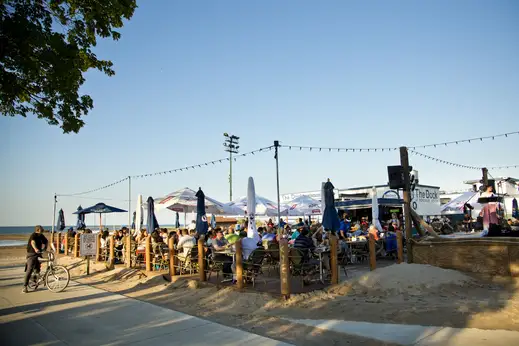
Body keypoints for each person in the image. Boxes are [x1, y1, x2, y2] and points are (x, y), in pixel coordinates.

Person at [23, 225, 53, 293]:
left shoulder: (41, 236)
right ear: (38, 230)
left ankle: (36, 277)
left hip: (38, 253)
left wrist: (44, 248)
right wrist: (35, 249)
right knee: (30, 269)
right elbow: (32, 242)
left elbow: (46, 241)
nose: (43, 230)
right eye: (42, 229)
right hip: (31, 254)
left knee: (38, 268)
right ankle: (24, 286)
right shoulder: (34, 235)